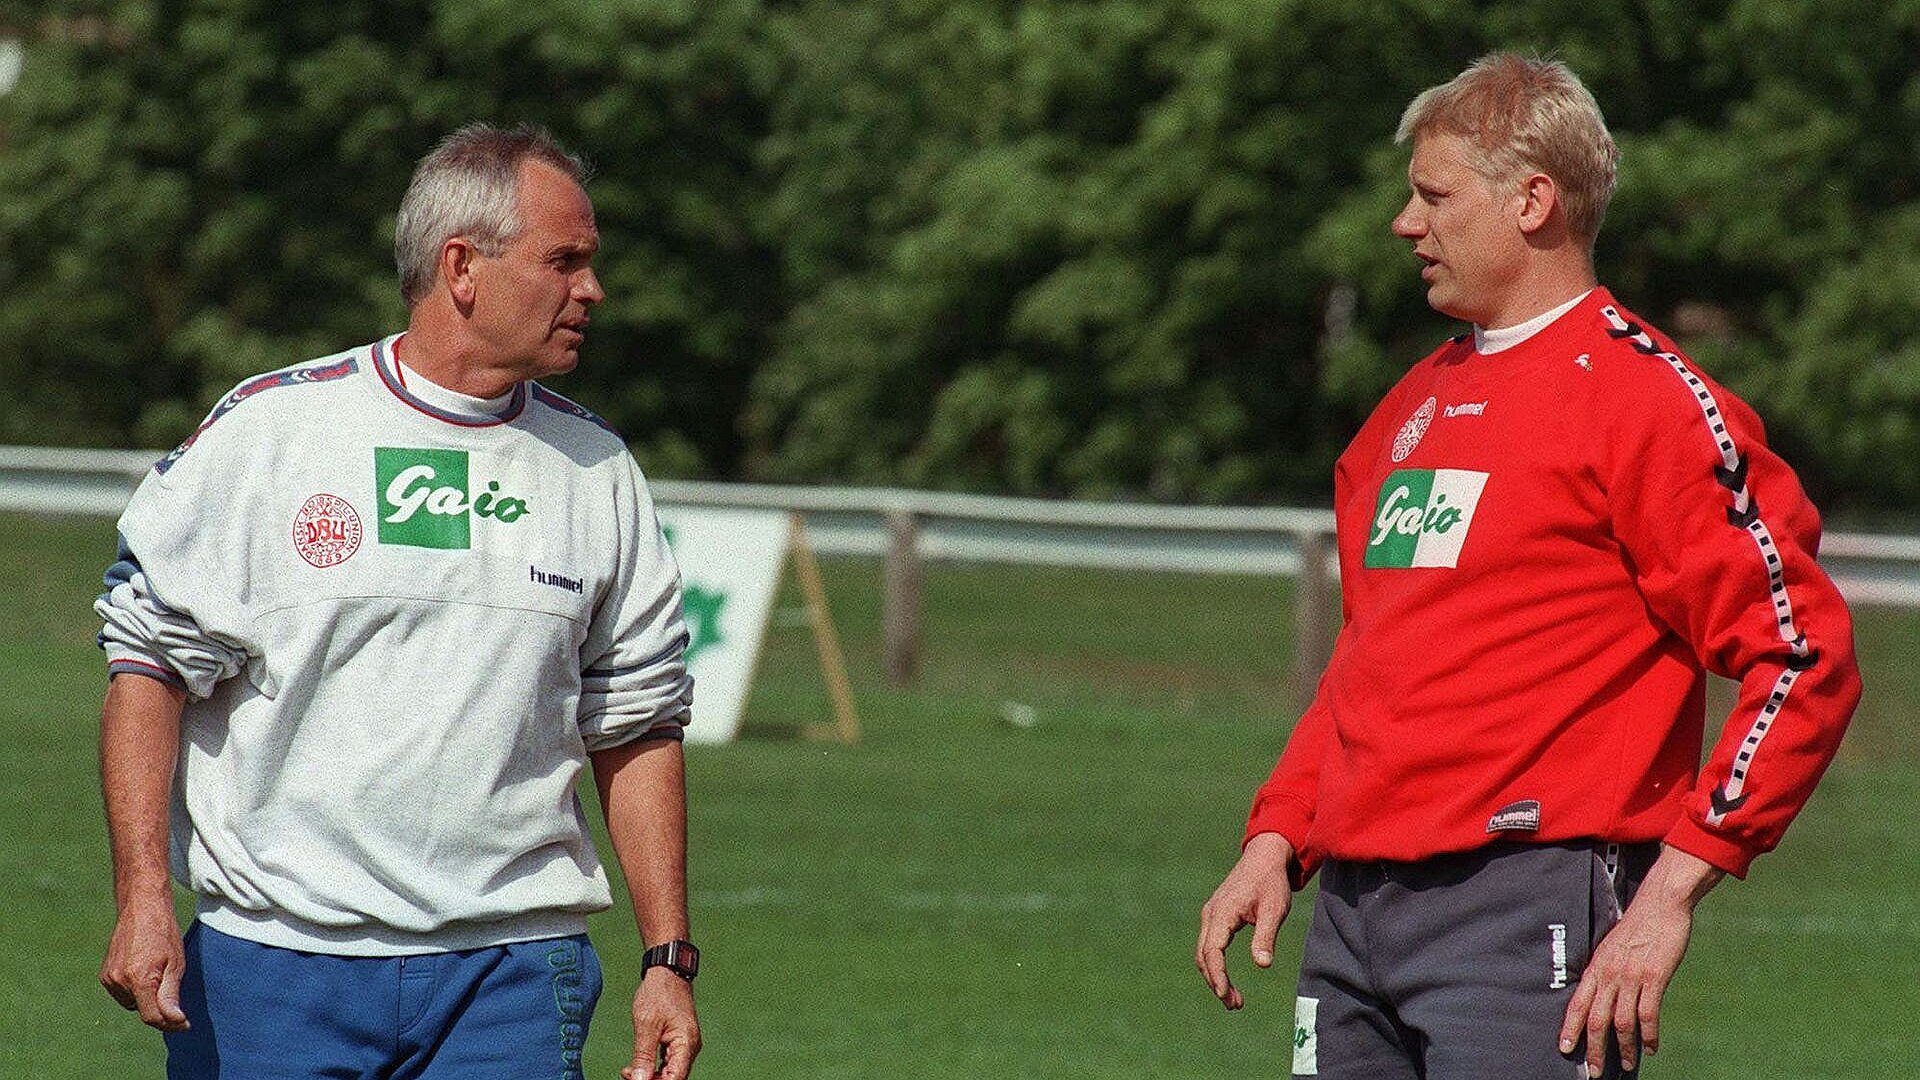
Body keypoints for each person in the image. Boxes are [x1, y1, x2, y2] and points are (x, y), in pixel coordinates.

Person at [1195, 53, 1860, 1079]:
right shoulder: (1404, 416)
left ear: (1532, 201)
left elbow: (1804, 655)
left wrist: (1670, 894)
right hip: (1353, 921)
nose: (1404, 224)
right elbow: (1374, 662)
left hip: (1524, 913)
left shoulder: (1649, 407)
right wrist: (1277, 833)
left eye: (1432, 196)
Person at [95, 123, 703, 1080]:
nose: (592, 291)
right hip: (273, 966)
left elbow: (637, 722)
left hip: (510, 974)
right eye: (565, 261)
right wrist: (143, 897)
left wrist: (668, 958)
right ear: (462, 267)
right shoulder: (275, 433)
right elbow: (148, 670)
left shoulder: (598, 473)